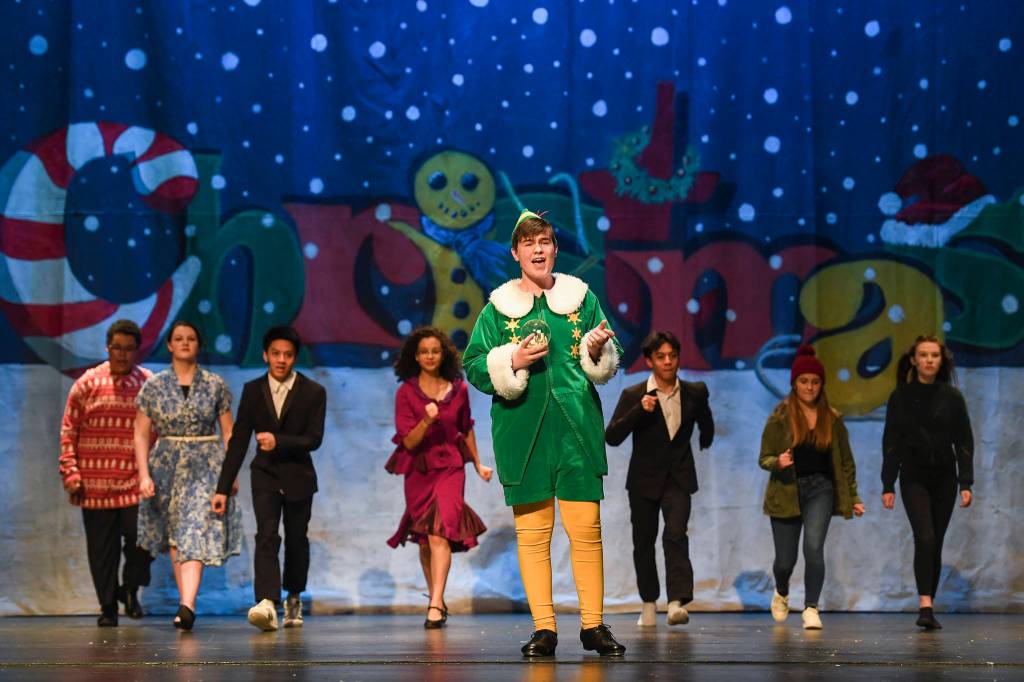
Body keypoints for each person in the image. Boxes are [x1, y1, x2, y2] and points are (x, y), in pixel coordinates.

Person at [463, 208, 625, 657]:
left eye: (546, 242)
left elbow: (610, 346)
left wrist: (598, 347)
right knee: (534, 536)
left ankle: (593, 625)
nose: (539, 249)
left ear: (555, 249)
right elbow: (474, 363)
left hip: (575, 431)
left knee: (586, 530)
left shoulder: (580, 298)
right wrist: (510, 361)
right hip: (524, 433)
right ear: (515, 253)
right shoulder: (498, 309)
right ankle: (544, 628)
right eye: (529, 243)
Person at [212, 326, 327, 632]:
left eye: (288, 355)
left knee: (297, 539)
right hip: (264, 473)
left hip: (299, 475)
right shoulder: (253, 390)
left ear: (294, 357)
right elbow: (238, 441)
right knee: (266, 534)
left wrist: (280, 441)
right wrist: (223, 487)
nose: (281, 360)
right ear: (265, 355)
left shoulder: (313, 392)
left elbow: (314, 439)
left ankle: (293, 596)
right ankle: (266, 601)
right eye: (275, 354)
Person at [134, 320, 242, 631]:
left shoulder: (214, 384)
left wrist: (229, 473)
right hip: (166, 464)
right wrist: (143, 474)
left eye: (191, 338)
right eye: (178, 338)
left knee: (196, 528)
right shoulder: (153, 387)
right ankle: (186, 602)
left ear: (198, 344)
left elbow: (229, 432)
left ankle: (188, 604)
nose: (184, 343)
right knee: (175, 533)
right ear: (169, 345)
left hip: (205, 464)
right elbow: (141, 433)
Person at [605, 330, 714, 628]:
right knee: (643, 542)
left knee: (676, 534)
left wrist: (706, 437)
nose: (668, 362)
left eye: (673, 356)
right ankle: (649, 601)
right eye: (661, 356)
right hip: (643, 481)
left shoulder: (694, 392)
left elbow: (706, 422)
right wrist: (639, 412)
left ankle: (677, 601)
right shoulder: (635, 395)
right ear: (649, 360)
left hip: (678, 478)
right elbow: (612, 436)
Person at [385, 326, 491, 628]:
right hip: (419, 470)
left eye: (435, 350)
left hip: (451, 468)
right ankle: (437, 597)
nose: (430, 356)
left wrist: (478, 464)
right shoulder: (406, 392)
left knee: (439, 531)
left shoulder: (459, 388)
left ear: (443, 353)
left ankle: (434, 602)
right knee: (424, 540)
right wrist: (426, 419)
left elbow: (466, 427)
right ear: (416, 357)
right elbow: (408, 442)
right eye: (424, 352)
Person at [758, 344, 864, 630]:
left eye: (815, 382)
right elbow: (764, 458)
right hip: (786, 492)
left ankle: (811, 608)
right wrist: (777, 462)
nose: (809, 387)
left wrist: (853, 496)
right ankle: (781, 591)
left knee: (814, 548)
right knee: (784, 561)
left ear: (821, 384)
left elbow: (845, 462)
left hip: (821, 490)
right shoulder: (780, 418)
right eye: (804, 381)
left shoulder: (833, 418)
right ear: (794, 383)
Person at [59, 319, 155, 626]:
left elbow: (161, 432)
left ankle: (129, 589)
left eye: (128, 349)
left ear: (137, 351)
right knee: (102, 551)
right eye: (117, 348)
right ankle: (108, 607)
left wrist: (155, 474)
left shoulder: (148, 384)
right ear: (107, 347)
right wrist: (71, 473)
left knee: (143, 541)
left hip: (134, 482)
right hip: (94, 483)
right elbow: (68, 431)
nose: (122, 354)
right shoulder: (87, 384)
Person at [881, 334, 974, 630]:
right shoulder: (901, 397)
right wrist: (888, 483)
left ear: (941, 360)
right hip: (914, 478)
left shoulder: (953, 398)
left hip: (945, 478)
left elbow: (964, 442)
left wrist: (966, 482)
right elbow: (892, 442)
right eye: (924, 355)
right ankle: (925, 606)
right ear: (914, 360)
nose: (929, 360)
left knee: (936, 543)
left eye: (934, 355)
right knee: (925, 537)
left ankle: (928, 605)